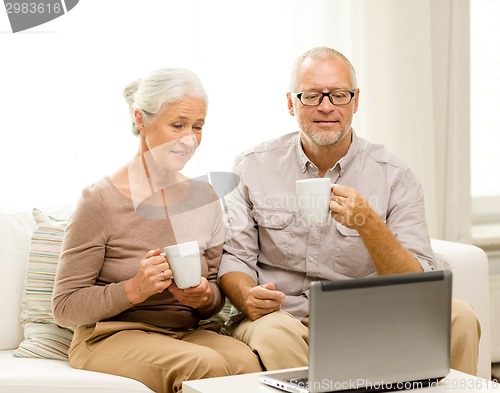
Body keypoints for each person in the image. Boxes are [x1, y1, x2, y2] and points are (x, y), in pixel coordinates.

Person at [218, 47, 481, 375]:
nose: (326, 107)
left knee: (459, 316)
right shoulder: (252, 166)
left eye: (338, 95)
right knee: (275, 334)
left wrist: (370, 225)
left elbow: (418, 288)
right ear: (291, 103)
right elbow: (235, 259)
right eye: (312, 96)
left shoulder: (394, 176)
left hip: (364, 318)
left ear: (355, 101)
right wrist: (247, 296)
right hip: (282, 318)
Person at [52, 67, 262, 393]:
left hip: (185, 331)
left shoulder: (204, 198)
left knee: (249, 365)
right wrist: (135, 289)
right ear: (141, 119)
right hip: (110, 334)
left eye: (198, 127)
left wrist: (204, 296)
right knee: (206, 367)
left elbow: (214, 299)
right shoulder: (100, 200)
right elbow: (64, 307)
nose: (189, 139)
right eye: (177, 125)